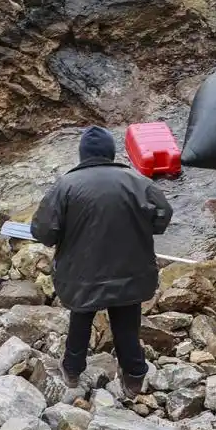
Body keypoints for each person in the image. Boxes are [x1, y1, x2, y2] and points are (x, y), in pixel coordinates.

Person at [30, 126, 173, 396]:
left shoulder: (65, 186)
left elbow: (43, 231)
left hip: (81, 276)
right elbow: (163, 215)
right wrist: (141, 227)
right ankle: (134, 376)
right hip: (132, 272)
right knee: (127, 323)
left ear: (82, 155)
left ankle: (72, 370)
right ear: (111, 153)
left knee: (81, 318)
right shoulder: (139, 181)